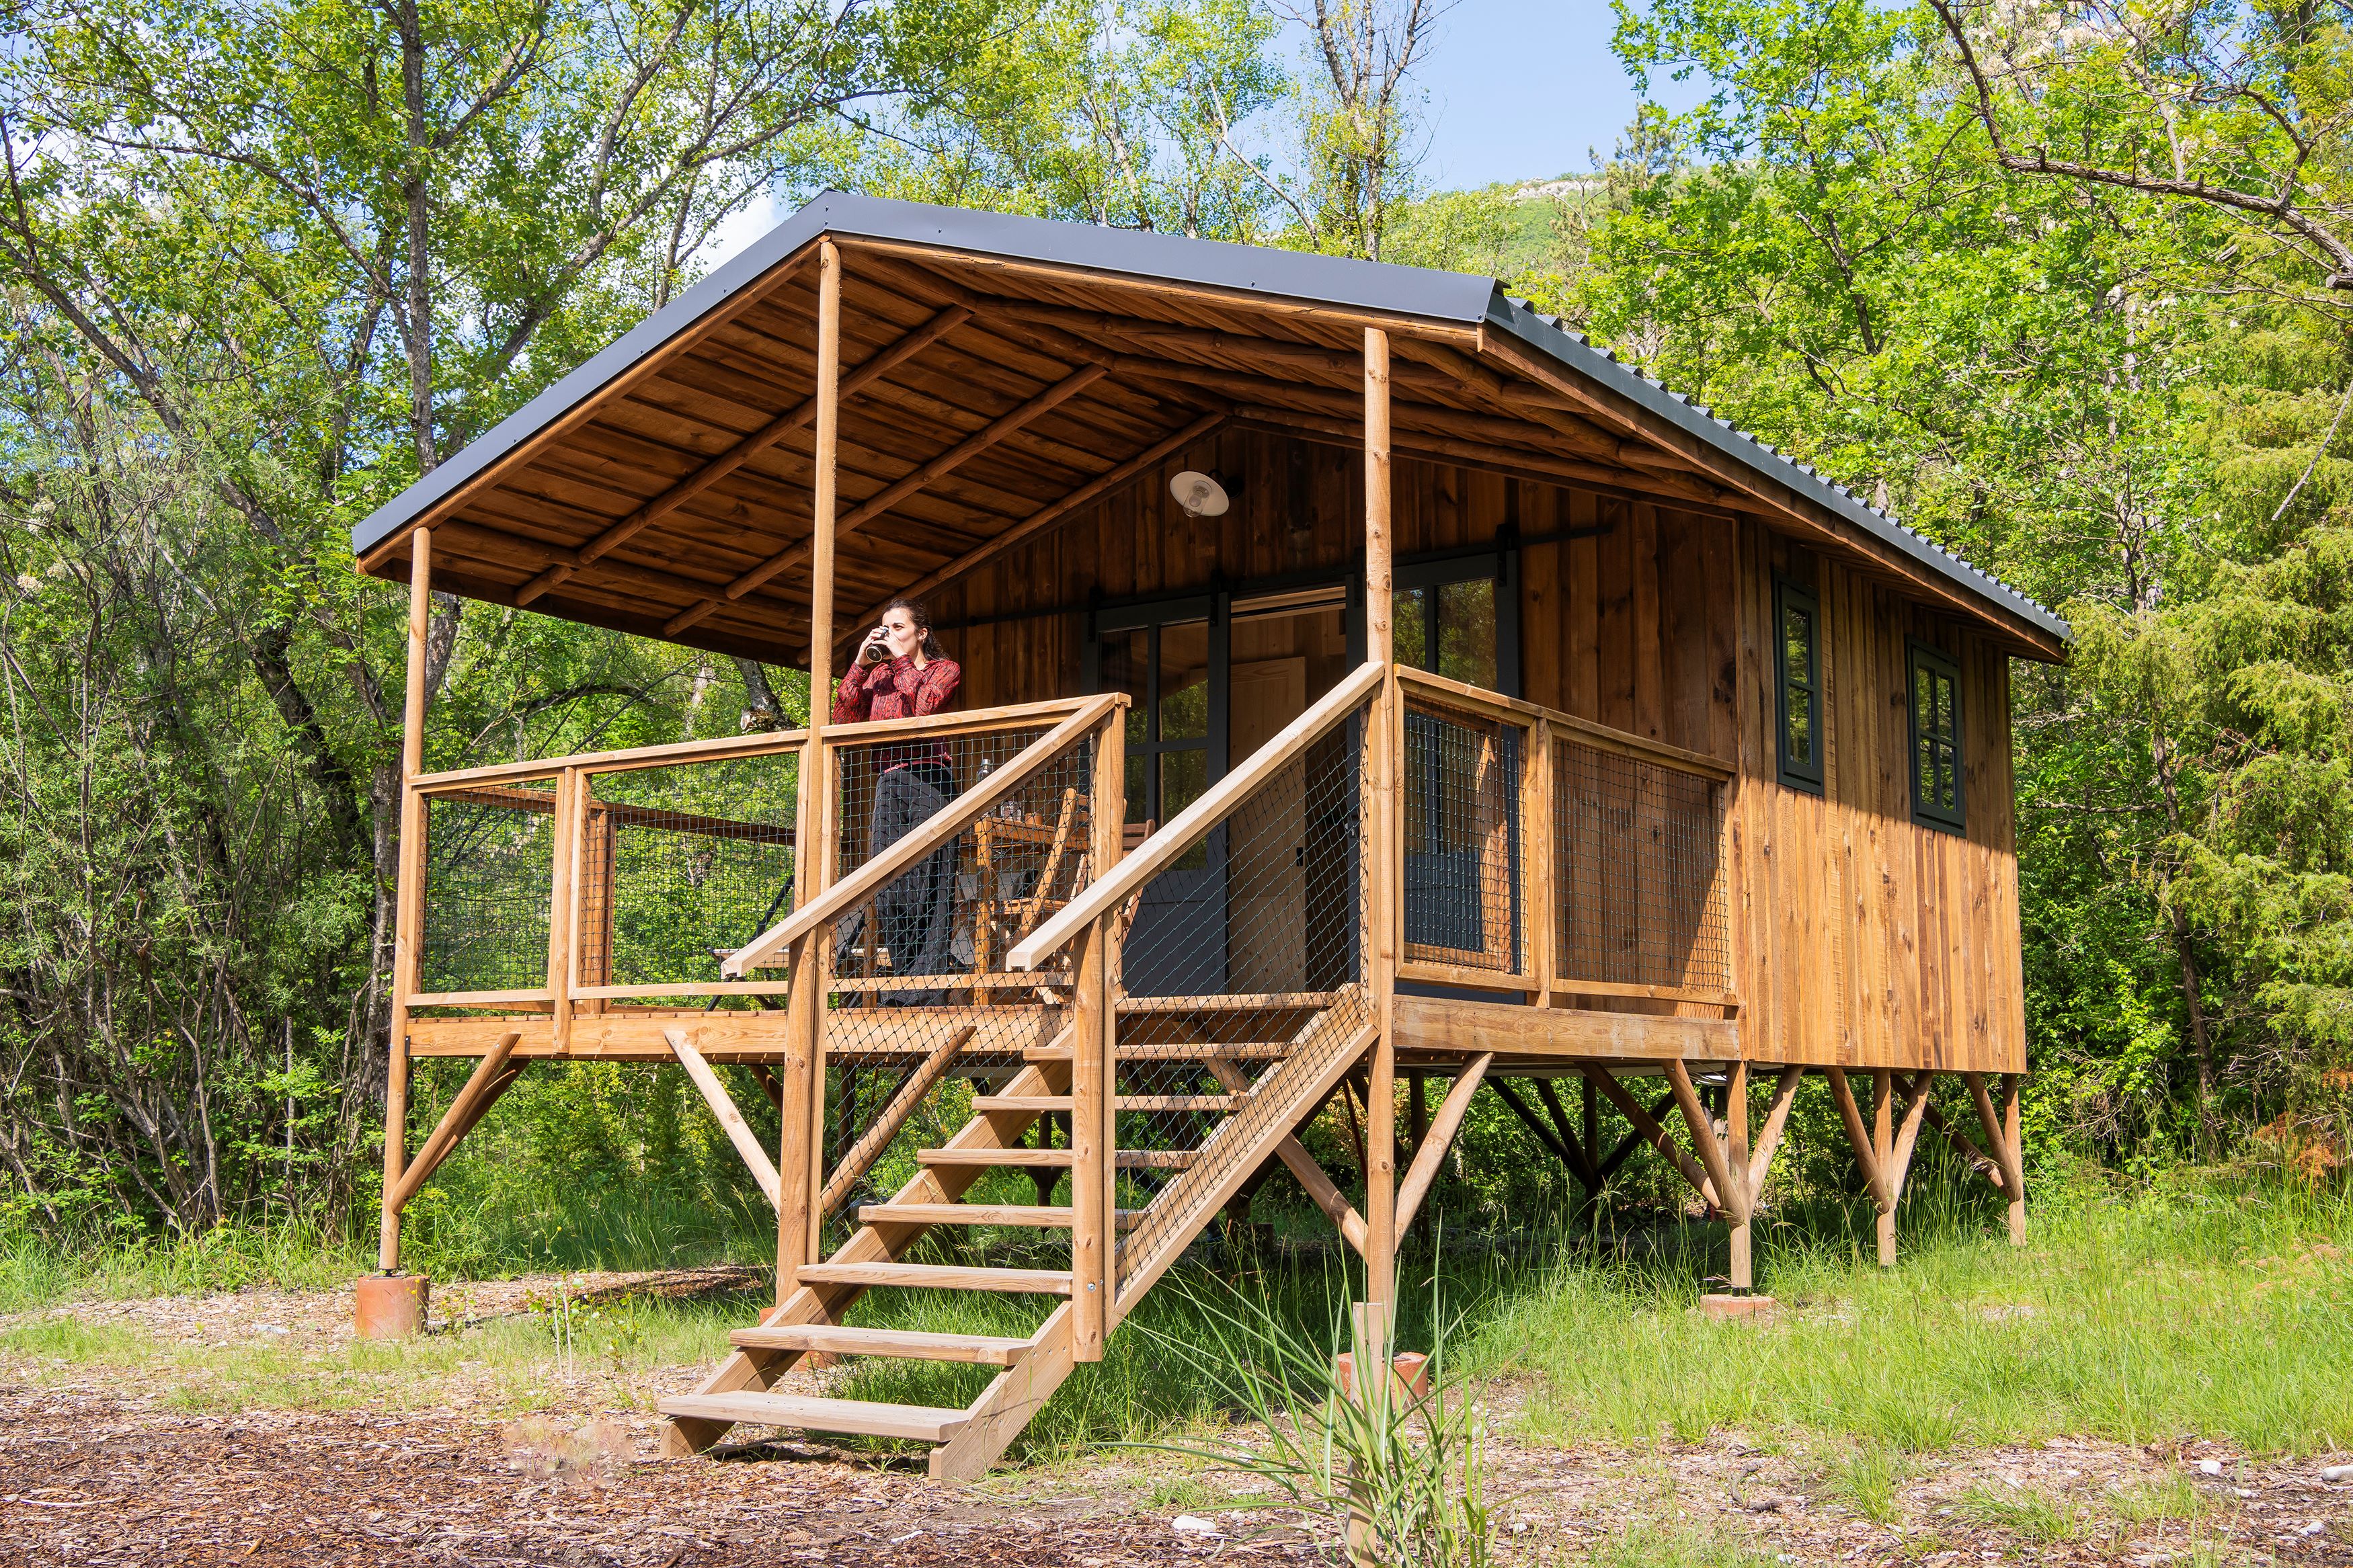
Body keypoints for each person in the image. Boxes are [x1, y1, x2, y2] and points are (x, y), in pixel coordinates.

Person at [830, 599, 962, 1003]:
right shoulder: (880, 676)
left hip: (930, 779)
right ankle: (901, 986)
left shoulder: (944, 669)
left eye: (899, 627)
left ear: (921, 633)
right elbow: (843, 719)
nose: (890, 635)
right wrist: (859, 663)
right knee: (888, 884)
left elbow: (925, 708)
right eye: (884, 628)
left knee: (931, 883)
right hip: (889, 781)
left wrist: (903, 662)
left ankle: (927, 991)